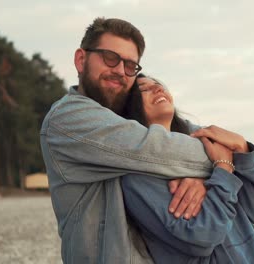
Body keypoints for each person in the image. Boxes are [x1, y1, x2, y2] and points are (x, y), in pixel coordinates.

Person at [40, 17, 216, 264]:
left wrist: (203, 175)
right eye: (110, 57)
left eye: (131, 65)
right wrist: (223, 163)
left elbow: (242, 154)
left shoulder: (130, 117)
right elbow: (160, 150)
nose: (120, 70)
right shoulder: (68, 119)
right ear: (81, 60)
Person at [121, 74, 254, 264]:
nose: (158, 89)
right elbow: (203, 237)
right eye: (144, 89)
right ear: (129, 106)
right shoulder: (137, 177)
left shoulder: (206, 147)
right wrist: (222, 171)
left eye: (159, 84)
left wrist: (242, 148)